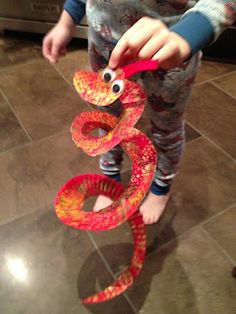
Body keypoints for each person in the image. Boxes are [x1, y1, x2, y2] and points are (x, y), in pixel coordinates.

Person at [43, 0, 236, 224]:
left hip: (173, 46)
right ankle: (110, 178)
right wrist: (67, 21)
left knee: (167, 126)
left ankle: (161, 186)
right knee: (108, 120)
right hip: (105, 43)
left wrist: (188, 33)